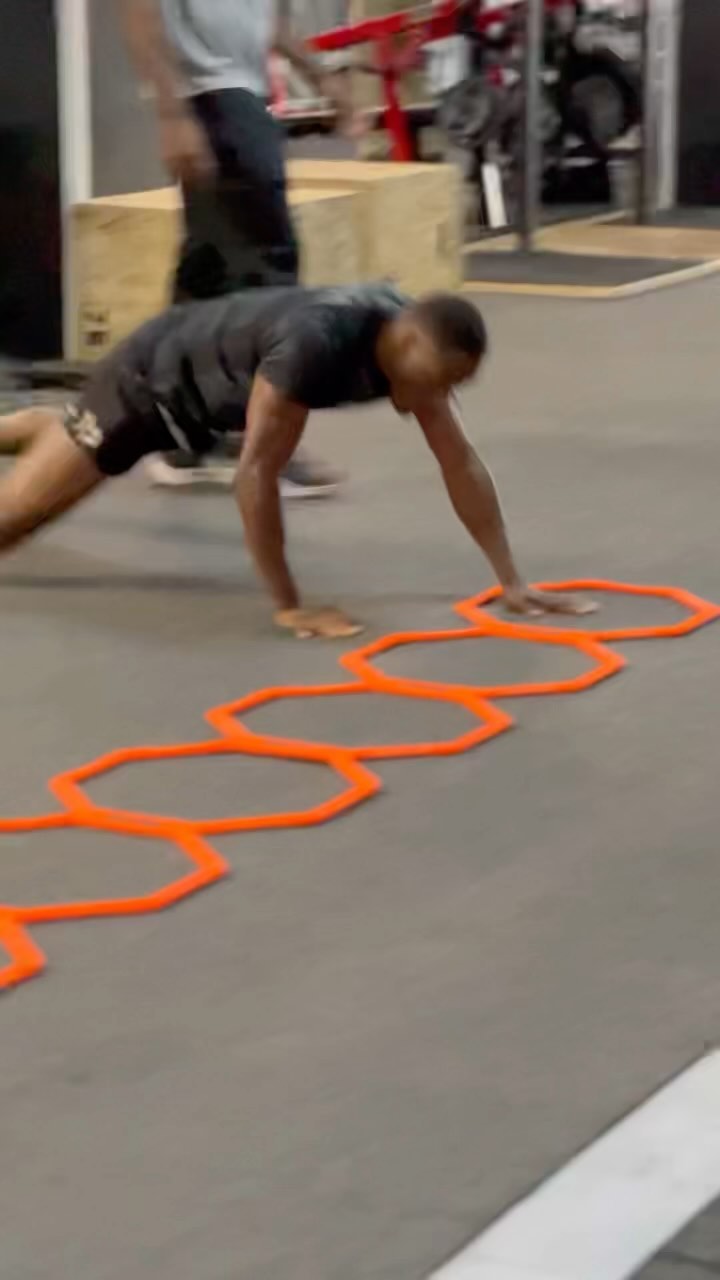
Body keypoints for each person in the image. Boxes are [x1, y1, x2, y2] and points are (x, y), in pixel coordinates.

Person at [0, 283, 593, 637]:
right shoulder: (314, 346)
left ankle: (54, 431)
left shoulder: (411, 351)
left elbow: (458, 462)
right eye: (442, 379)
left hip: (198, 398)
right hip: (144, 389)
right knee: (16, 522)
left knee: (61, 434)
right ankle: (66, 438)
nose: (442, 396)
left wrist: (511, 580)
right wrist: (290, 606)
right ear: (410, 344)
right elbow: (256, 471)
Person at [120, 0, 360, 495]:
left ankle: (186, 440)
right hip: (212, 99)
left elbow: (270, 17)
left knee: (208, 272)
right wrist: (172, 113)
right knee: (268, 272)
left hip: (237, 97)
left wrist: (320, 75)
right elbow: (139, 11)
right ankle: (262, 442)